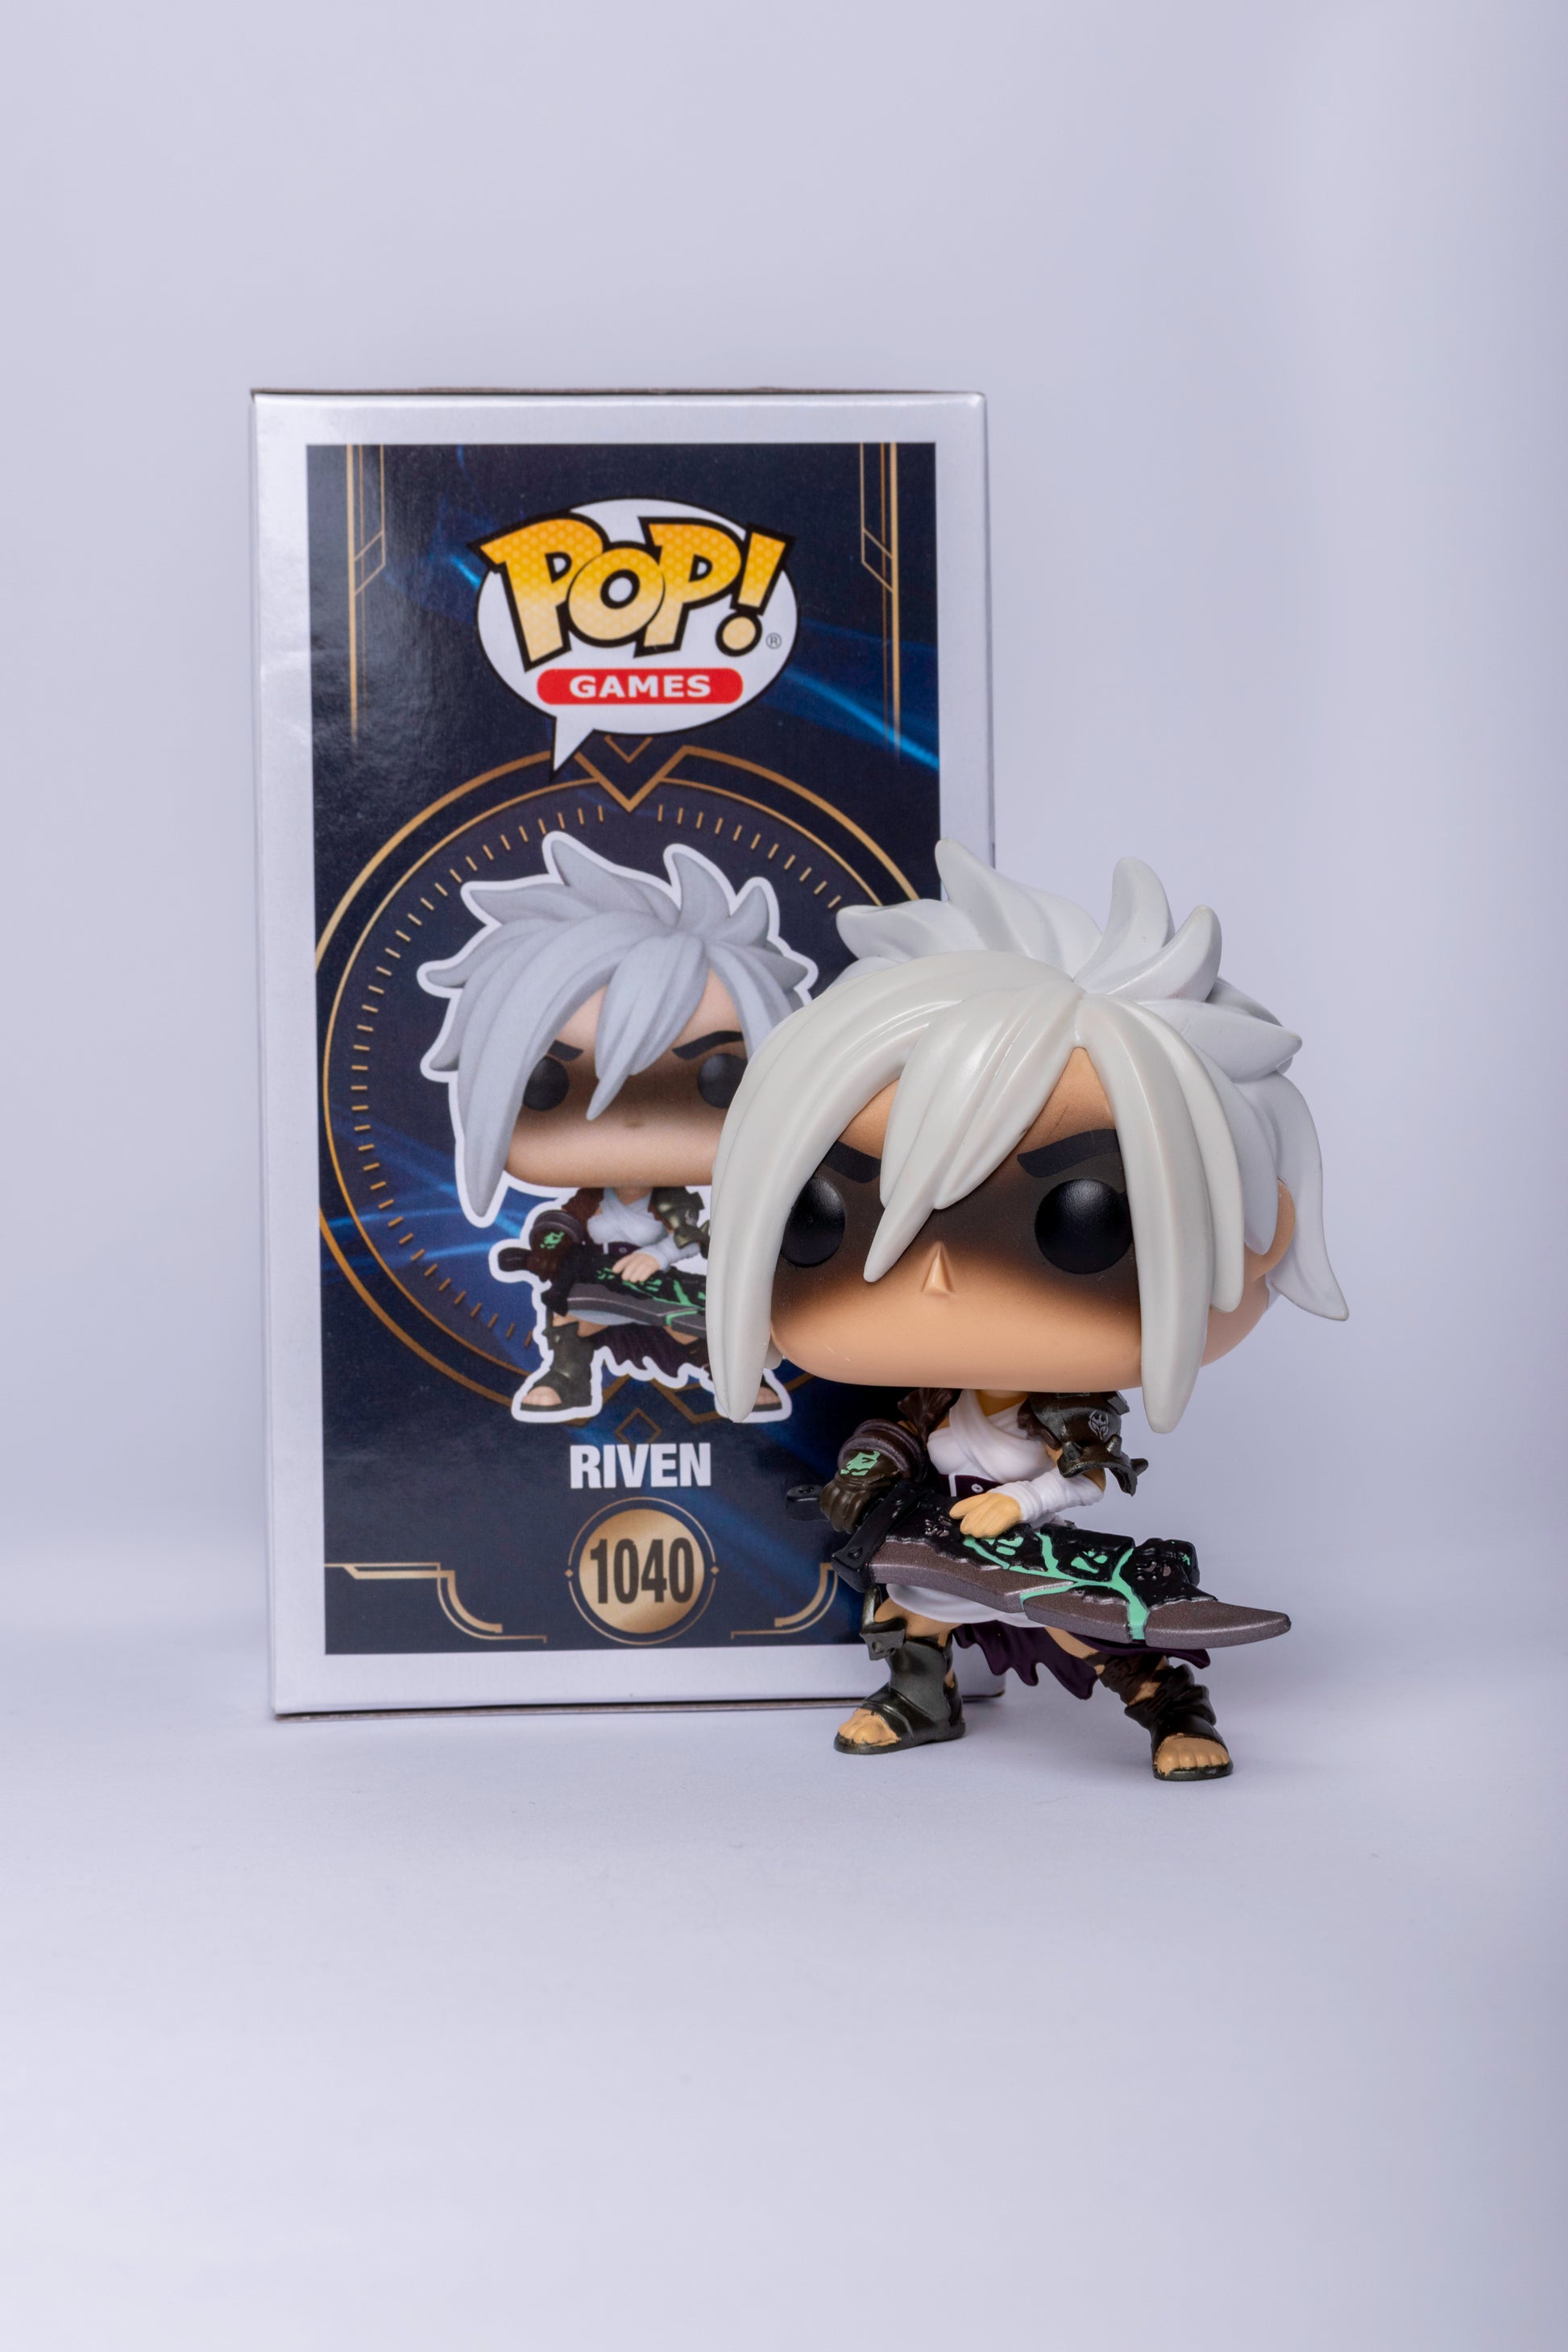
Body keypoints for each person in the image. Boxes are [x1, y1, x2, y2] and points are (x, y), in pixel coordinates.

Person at [707, 841, 1346, 1779]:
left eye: (1075, 1222)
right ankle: (918, 1697)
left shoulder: (1069, 1415)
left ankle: (1173, 1708)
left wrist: (1020, 1501)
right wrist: (869, 1465)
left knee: (1095, 1634)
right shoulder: (939, 1397)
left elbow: (1085, 1480)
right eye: (825, 1215)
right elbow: (903, 1431)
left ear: (1260, 1235)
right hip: (942, 1539)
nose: (934, 1277)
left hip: (1034, 1545)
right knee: (906, 1609)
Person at [419, 833, 814, 1421]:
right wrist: (547, 1251)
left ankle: (731, 1369)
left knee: (701, 1320)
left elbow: (696, 1236)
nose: (631, 1124)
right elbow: (558, 1230)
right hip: (597, 1285)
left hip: (663, 1289)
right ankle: (568, 1371)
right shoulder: (586, 1204)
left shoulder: (675, 1205)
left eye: (716, 1080)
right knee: (566, 1309)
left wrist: (659, 1256)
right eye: (553, 1085)